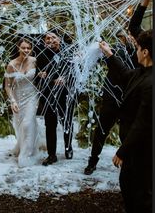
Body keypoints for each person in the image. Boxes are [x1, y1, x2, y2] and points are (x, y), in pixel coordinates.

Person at [99, 29, 152, 213]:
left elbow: (143, 123)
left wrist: (122, 152)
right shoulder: (142, 72)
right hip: (134, 147)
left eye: (137, 47)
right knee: (127, 183)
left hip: (142, 148)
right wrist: (109, 55)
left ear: (145, 52)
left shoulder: (151, 83)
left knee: (141, 192)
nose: (135, 51)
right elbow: (125, 74)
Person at [84, 29, 137, 175]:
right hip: (111, 98)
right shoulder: (112, 50)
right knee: (101, 130)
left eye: (130, 36)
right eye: (124, 36)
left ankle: (127, 162)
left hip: (128, 99)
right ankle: (93, 161)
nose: (128, 38)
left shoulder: (138, 53)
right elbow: (98, 59)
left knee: (125, 133)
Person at [36, 31, 75, 166]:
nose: (50, 40)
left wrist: (65, 78)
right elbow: (37, 75)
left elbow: (75, 71)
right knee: (50, 125)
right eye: (47, 38)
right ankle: (51, 155)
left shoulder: (68, 53)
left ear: (59, 39)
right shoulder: (41, 54)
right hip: (48, 95)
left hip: (66, 94)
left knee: (67, 121)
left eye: (53, 37)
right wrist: (40, 75)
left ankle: (68, 147)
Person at [4, 38, 39, 167]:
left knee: (27, 123)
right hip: (18, 98)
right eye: (23, 48)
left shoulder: (35, 61)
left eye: (28, 48)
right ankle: (22, 146)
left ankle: (26, 155)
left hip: (31, 96)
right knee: (20, 126)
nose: (26, 50)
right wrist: (12, 101)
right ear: (18, 48)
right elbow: (7, 86)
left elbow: (41, 76)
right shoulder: (11, 65)